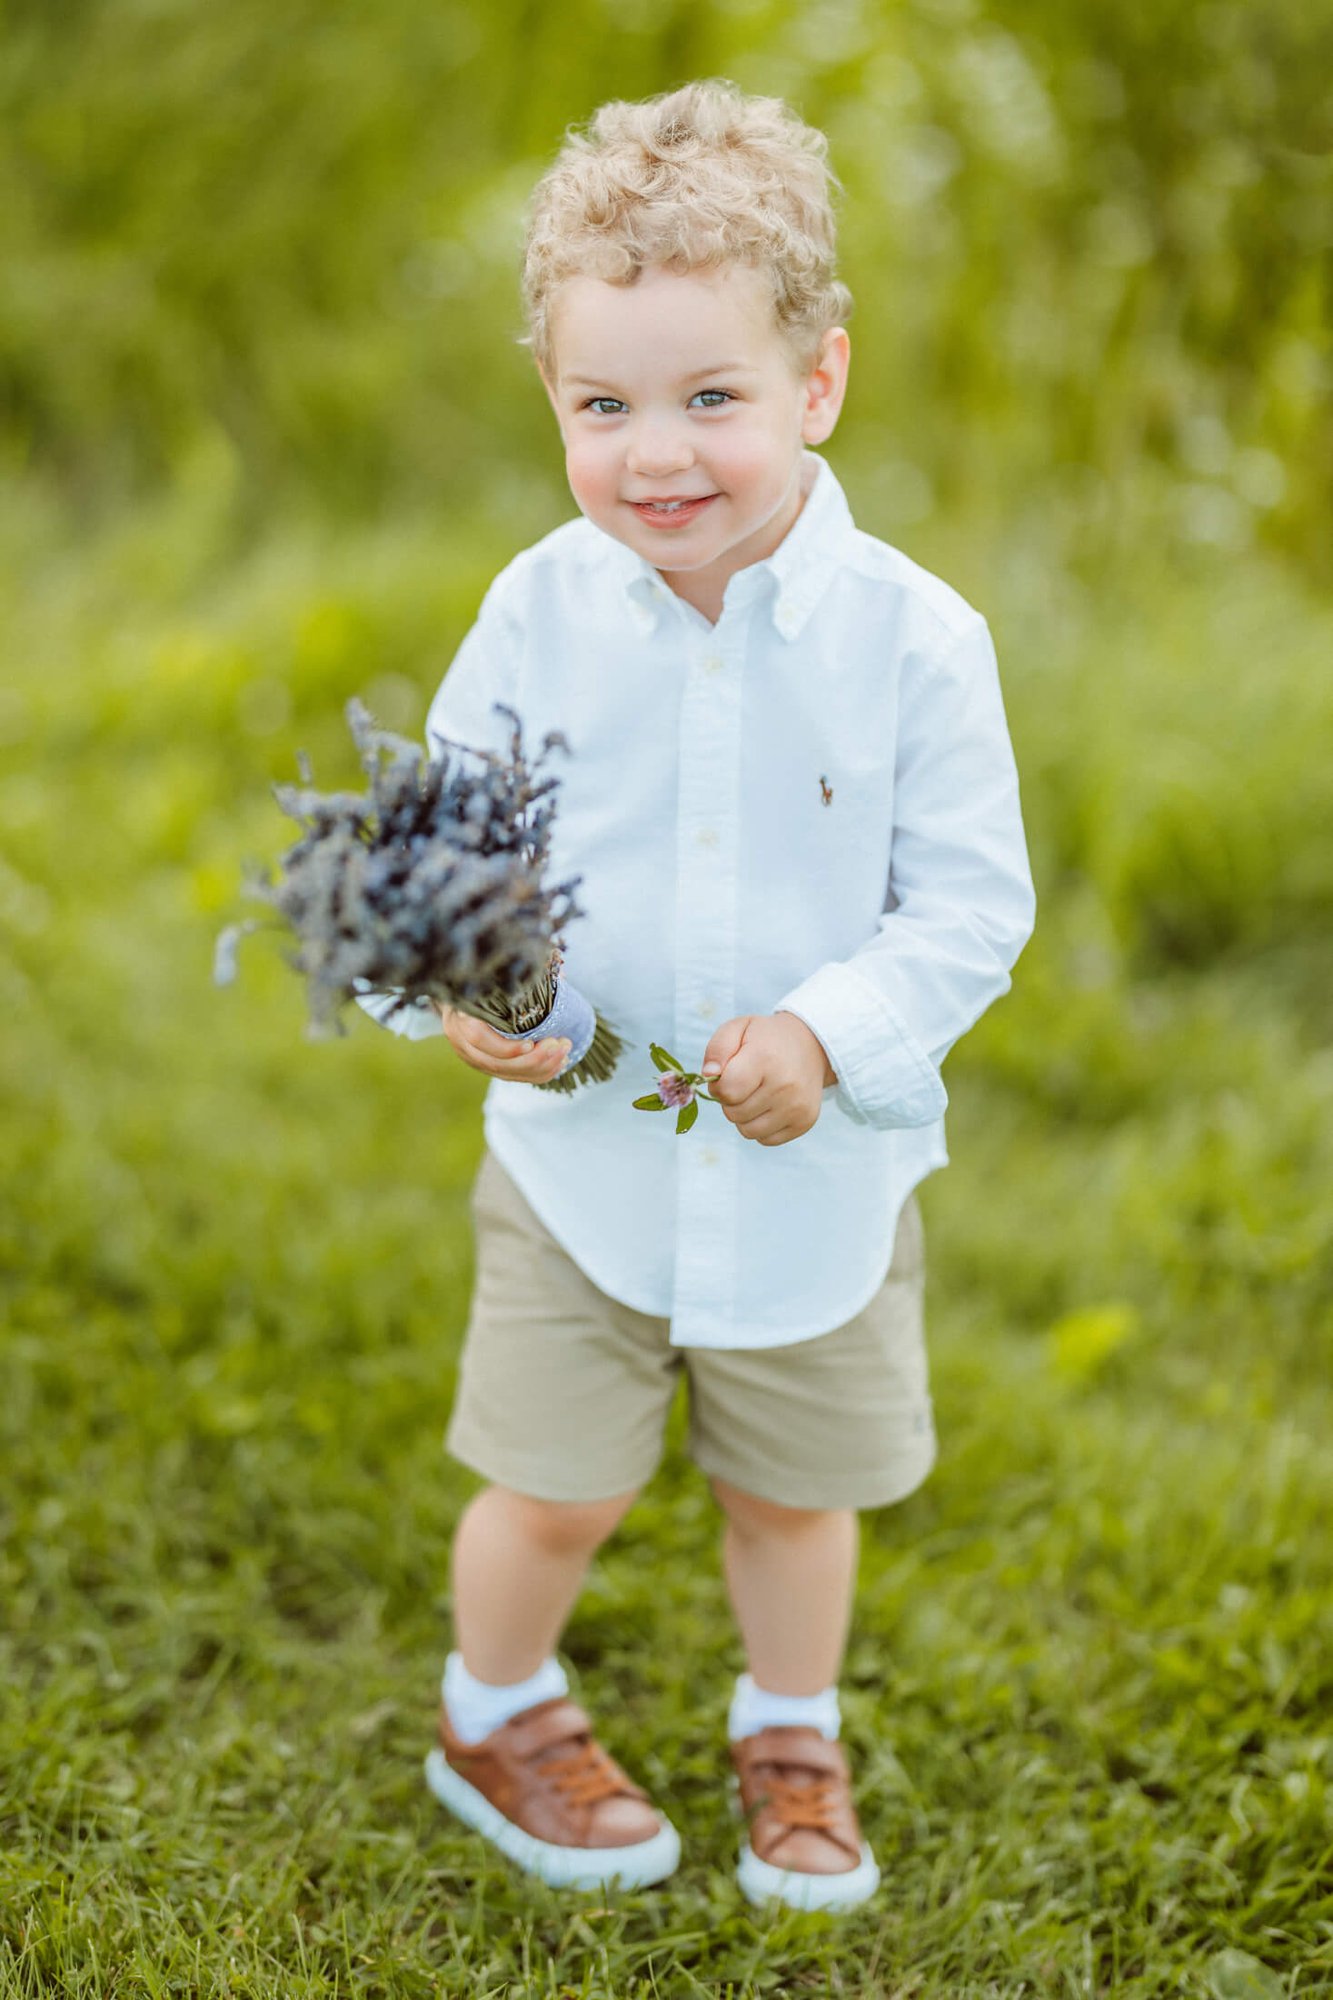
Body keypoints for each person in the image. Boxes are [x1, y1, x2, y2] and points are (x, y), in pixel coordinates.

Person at [361, 79, 1035, 1912]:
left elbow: (970, 905)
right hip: (578, 1165)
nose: (655, 452)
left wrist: (831, 1035)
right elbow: (446, 846)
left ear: (816, 383)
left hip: (818, 1180)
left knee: (789, 1495)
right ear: (555, 407)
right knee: (553, 1484)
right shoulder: (538, 612)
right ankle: (492, 1707)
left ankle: (789, 1727)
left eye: (709, 397)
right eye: (604, 405)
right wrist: (472, 993)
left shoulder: (915, 639)